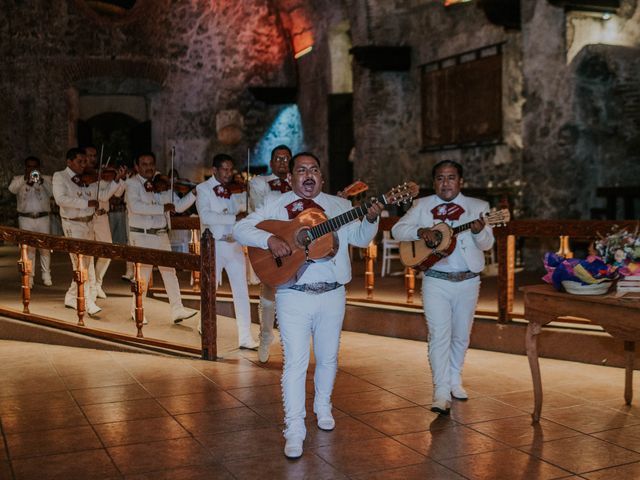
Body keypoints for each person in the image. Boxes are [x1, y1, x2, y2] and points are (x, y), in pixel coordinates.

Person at [234, 152, 383, 459]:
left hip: (332, 293)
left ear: (322, 177)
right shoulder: (277, 205)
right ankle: (294, 428)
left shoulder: (340, 206)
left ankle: (323, 407)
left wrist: (370, 218)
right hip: (293, 293)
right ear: (290, 178)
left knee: (328, 358)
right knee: (295, 363)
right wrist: (269, 241)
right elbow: (240, 229)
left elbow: (359, 237)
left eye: (314, 169)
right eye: (301, 170)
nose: (308, 174)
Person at [391, 160, 494, 415]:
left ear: (461, 181)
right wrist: (420, 230)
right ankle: (440, 391)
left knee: (461, 335)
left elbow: (487, 244)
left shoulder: (479, 208)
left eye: (451, 177)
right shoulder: (422, 205)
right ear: (434, 181)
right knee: (439, 335)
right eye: (439, 178)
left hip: (468, 280)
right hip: (436, 279)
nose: (445, 183)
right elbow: (397, 229)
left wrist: (480, 232)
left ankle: (454, 379)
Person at [125, 152, 198, 324]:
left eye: (151, 163)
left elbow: (178, 207)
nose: (149, 167)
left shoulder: (163, 184)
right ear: (137, 167)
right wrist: (162, 207)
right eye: (144, 164)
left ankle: (177, 309)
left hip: (161, 233)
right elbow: (136, 207)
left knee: (169, 271)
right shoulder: (132, 184)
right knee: (142, 273)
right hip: (142, 234)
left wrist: (194, 193)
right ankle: (136, 308)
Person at [196, 154, 258, 349]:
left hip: (234, 244)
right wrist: (233, 217)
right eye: (224, 169)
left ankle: (245, 337)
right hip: (214, 246)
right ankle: (202, 324)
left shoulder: (234, 189)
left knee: (241, 291)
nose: (229, 173)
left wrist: (248, 200)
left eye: (231, 170)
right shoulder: (202, 189)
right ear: (214, 170)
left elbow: (244, 210)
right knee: (210, 289)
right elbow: (205, 215)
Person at [52, 148, 124, 316]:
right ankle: (87, 300)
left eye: (85, 162)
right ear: (69, 162)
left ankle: (71, 296)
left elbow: (104, 195)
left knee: (87, 262)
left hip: (89, 224)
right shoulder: (60, 176)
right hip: (73, 225)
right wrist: (87, 203)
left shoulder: (89, 179)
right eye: (80, 161)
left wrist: (116, 180)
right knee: (80, 263)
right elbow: (60, 199)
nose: (84, 165)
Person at [248, 144, 292, 362]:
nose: (282, 162)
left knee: (293, 292)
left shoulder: (299, 183)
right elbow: (260, 213)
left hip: (296, 242)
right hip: (270, 240)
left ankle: (289, 341)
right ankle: (265, 336)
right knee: (269, 288)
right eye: (278, 158)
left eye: (286, 159)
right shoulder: (259, 183)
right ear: (271, 161)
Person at [84, 145, 125, 299]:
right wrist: (111, 180)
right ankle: (90, 286)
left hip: (102, 217)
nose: (92, 159)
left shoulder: (104, 173)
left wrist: (119, 178)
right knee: (89, 252)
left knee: (107, 251)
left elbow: (119, 192)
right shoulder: (83, 176)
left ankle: (98, 284)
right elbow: (102, 196)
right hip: (88, 217)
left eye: (94, 156)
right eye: (89, 155)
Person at [8, 156, 53, 288]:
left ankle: (46, 275)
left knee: (45, 248)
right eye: (29, 166)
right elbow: (12, 189)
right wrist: (25, 180)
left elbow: (52, 192)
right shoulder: (18, 179)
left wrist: (42, 181)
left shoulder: (47, 179)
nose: (32, 169)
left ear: (39, 168)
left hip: (43, 218)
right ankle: (30, 277)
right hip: (25, 218)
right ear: (25, 167)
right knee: (28, 249)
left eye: (35, 167)